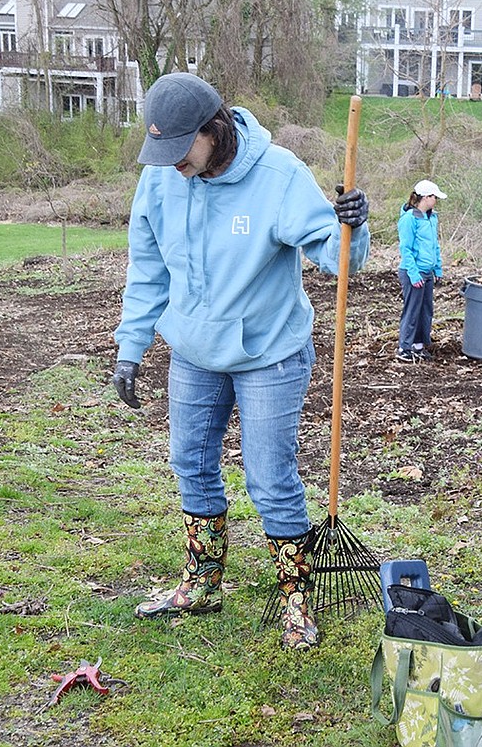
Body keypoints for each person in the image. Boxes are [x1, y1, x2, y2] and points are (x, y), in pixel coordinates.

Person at [110, 72, 370, 650]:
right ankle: (202, 583)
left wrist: (352, 223)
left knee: (269, 478)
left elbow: (336, 257)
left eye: (182, 150)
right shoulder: (159, 182)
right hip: (194, 353)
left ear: (214, 130)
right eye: (163, 151)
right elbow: (148, 272)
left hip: (268, 354)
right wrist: (132, 349)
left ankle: (296, 600)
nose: (172, 163)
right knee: (191, 464)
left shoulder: (279, 175)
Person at [396, 179, 445, 361]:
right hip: (413, 272)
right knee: (412, 310)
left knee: (426, 310)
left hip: (428, 271)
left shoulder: (432, 217)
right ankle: (404, 348)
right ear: (425, 197)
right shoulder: (409, 219)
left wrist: (438, 268)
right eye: (434, 197)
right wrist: (414, 273)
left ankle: (418, 345)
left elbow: (434, 245)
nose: (436, 201)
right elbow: (405, 249)